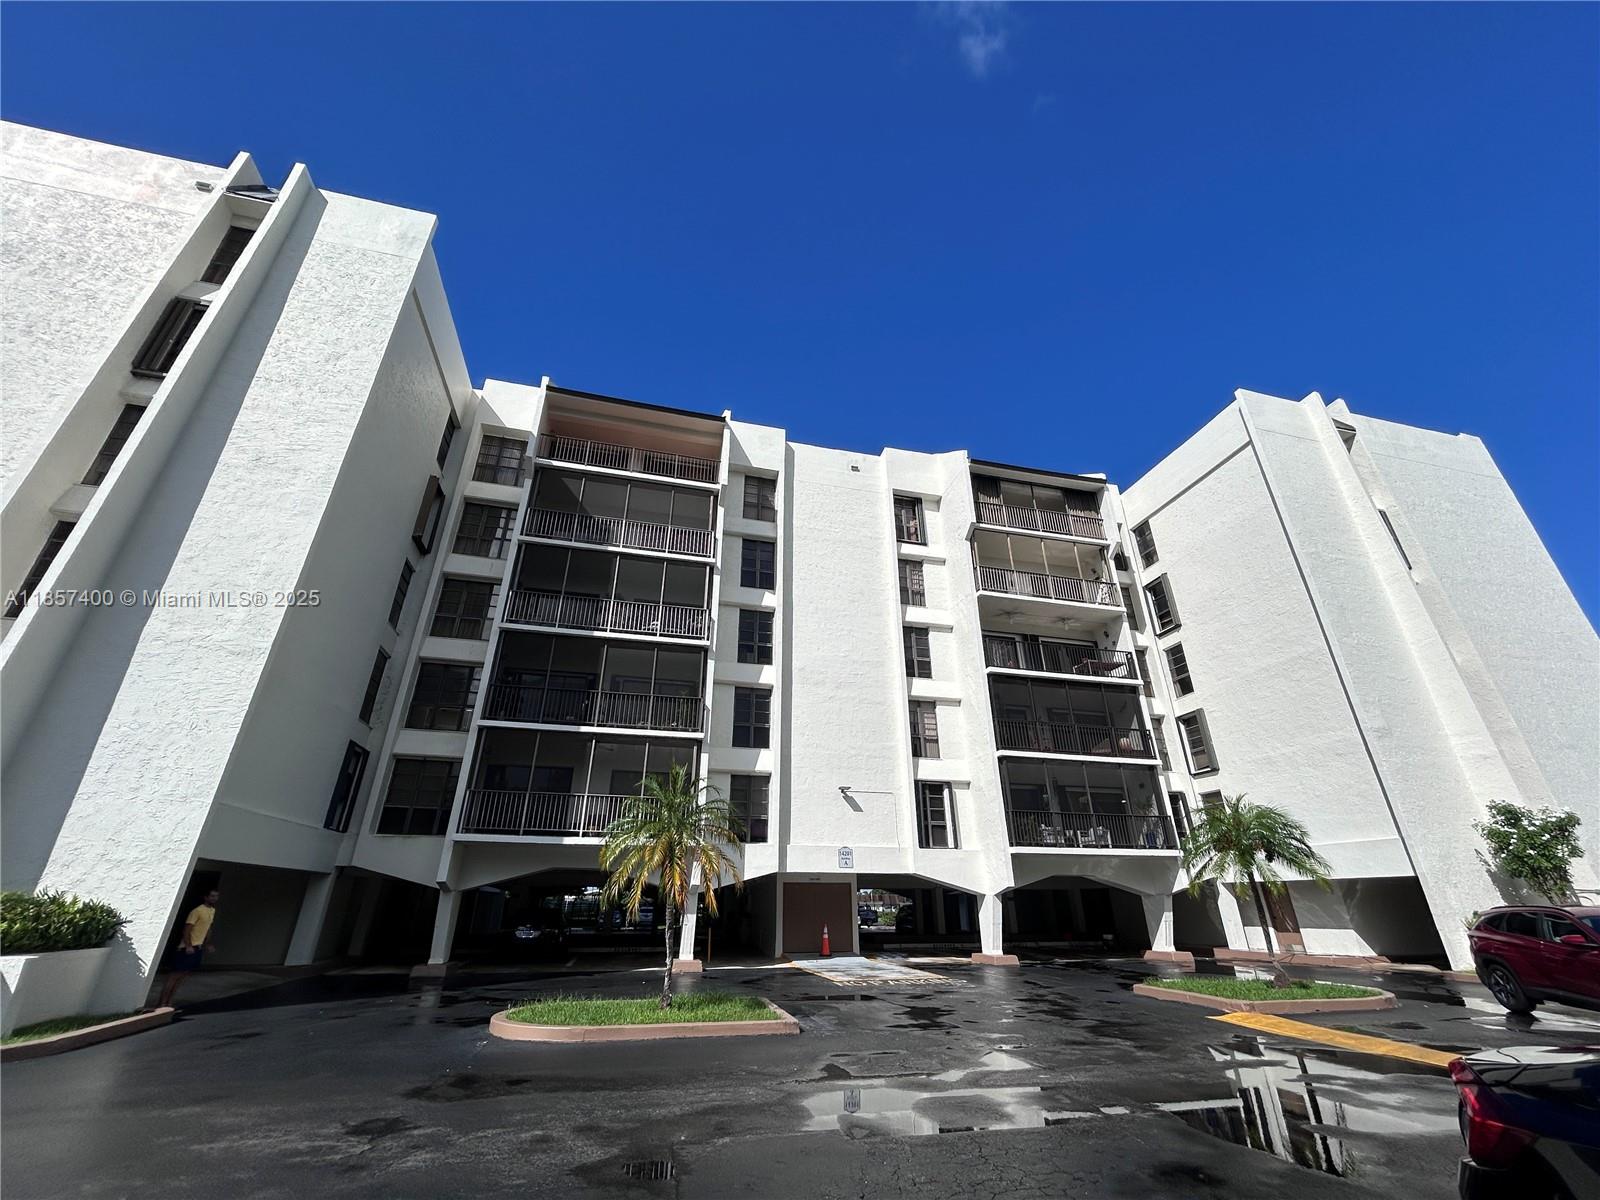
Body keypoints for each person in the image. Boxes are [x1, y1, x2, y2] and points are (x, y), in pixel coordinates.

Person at [157, 889, 218, 1010]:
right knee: (174, 975)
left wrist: (207, 943)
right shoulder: (197, 911)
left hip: (198, 947)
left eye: (216, 896)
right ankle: (162, 1003)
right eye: (212, 896)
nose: (214, 898)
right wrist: (188, 945)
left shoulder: (212, 911)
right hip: (187, 947)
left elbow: (208, 928)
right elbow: (187, 929)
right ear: (206, 897)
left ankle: (169, 1003)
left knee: (183, 976)